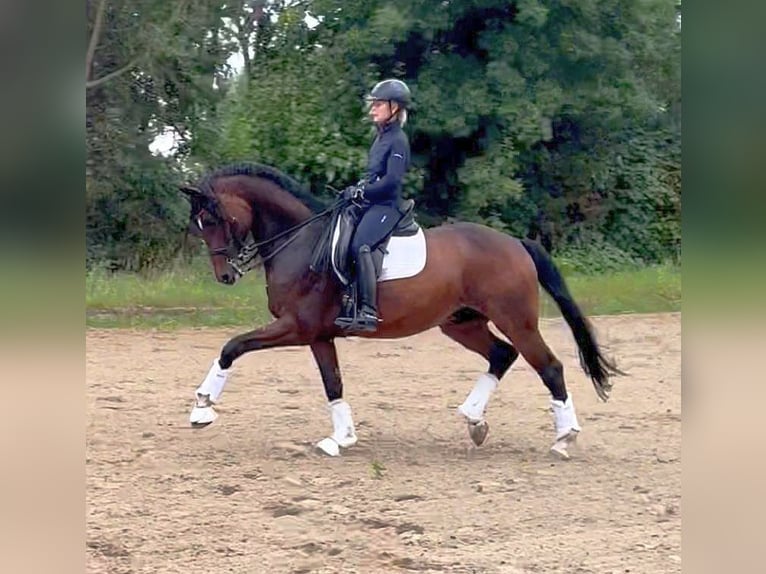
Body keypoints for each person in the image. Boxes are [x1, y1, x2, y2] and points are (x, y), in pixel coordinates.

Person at [335, 78, 413, 333]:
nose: (372, 110)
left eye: (378, 105)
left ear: (395, 108)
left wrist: (363, 191)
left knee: (361, 245)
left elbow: (391, 182)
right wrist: (355, 189)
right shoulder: (380, 138)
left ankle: (368, 310)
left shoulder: (398, 140)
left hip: (388, 207)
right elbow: (372, 176)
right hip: (372, 203)